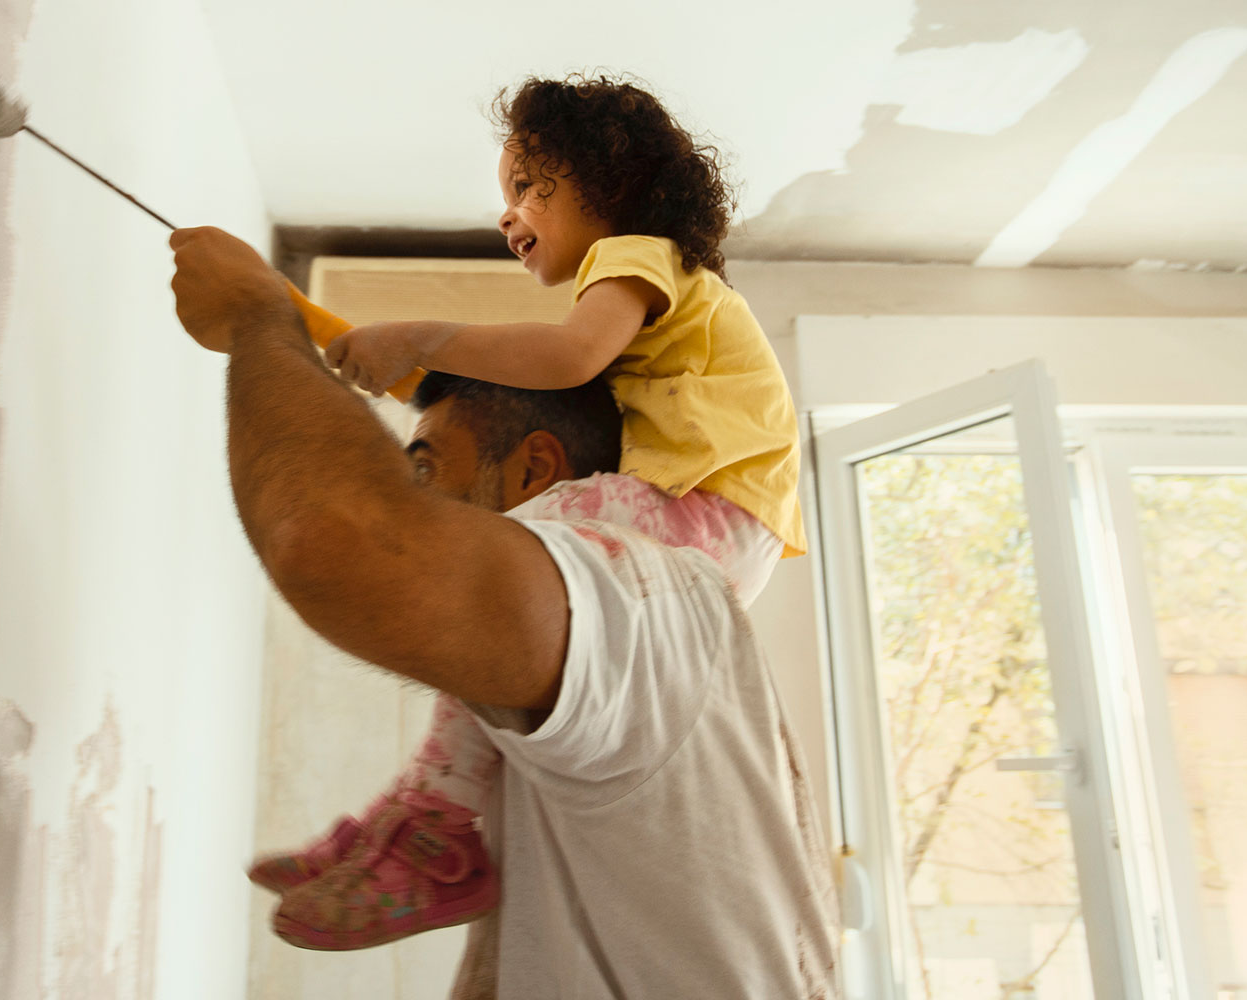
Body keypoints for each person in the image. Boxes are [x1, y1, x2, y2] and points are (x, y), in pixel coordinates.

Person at [169, 225, 836, 997]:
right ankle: (418, 822)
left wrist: (261, 320)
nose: (413, 504)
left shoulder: (643, 603)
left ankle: (427, 828)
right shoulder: (584, 645)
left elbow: (330, 541)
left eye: (424, 471)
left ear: (536, 469)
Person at [252, 73, 809, 952]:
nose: (507, 218)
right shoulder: (657, 303)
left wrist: (426, 333)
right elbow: (483, 396)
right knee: (510, 604)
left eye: (525, 189)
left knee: (508, 558)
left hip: (716, 514)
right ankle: (423, 813)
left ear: (608, 184)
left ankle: (433, 829)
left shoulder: (639, 257)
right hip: (723, 529)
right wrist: (308, 330)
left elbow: (564, 355)